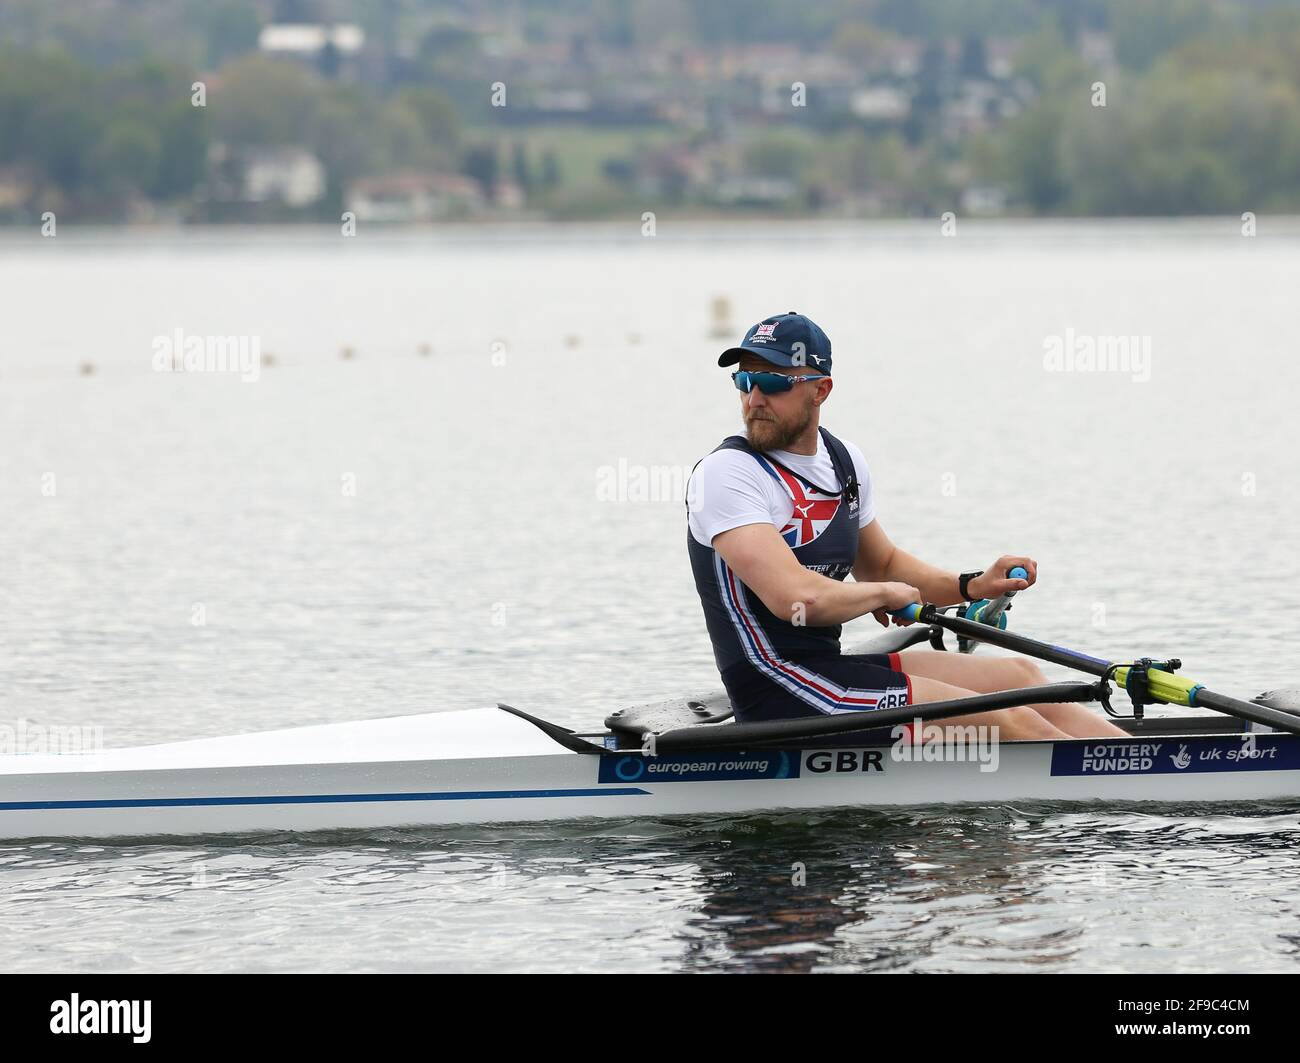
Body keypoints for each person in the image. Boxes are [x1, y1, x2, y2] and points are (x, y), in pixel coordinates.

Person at [686, 311, 1126, 740]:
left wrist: (972, 585)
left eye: (774, 382)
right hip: (778, 690)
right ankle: (1113, 801)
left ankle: (1134, 763)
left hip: (828, 668)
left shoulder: (843, 461)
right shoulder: (727, 473)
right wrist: (882, 595)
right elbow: (796, 599)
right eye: (744, 382)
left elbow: (883, 566)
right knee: (1009, 722)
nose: (754, 398)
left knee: (1024, 679)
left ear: (820, 390)